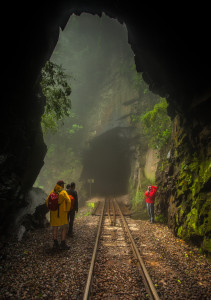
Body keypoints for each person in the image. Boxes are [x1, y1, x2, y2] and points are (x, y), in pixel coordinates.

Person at [46, 180, 71, 250]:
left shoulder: (52, 192)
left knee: (55, 228)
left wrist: (51, 208)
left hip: (53, 214)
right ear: (62, 185)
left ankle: (55, 243)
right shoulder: (63, 192)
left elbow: (47, 202)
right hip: (62, 214)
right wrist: (67, 209)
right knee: (64, 228)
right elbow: (69, 201)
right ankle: (63, 243)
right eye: (63, 184)